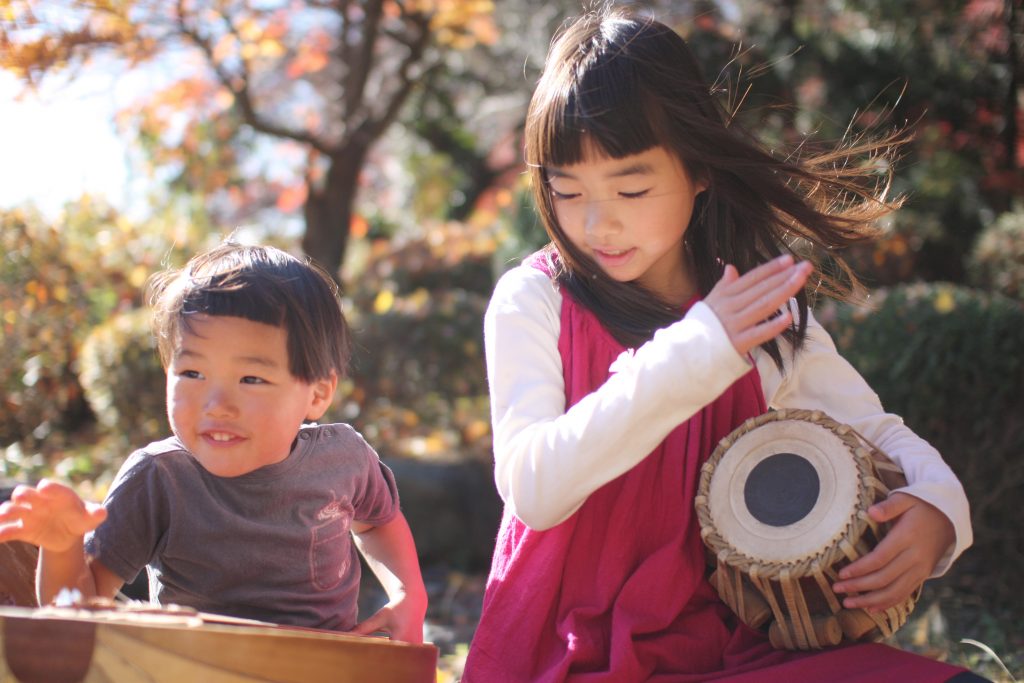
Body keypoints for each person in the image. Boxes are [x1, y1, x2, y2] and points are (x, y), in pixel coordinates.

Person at [462, 7, 979, 682]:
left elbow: (872, 430)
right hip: (568, 656)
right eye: (567, 189)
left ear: (700, 170)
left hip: (732, 653)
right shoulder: (535, 301)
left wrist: (938, 506)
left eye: (632, 186)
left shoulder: (755, 307)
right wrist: (697, 350)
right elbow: (533, 486)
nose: (597, 221)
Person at [0, 242, 427, 643]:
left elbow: (378, 521)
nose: (217, 404)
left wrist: (408, 594)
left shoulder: (342, 459)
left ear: (316, 394)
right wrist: (61, 550)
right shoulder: (159, 478)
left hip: (320, 666)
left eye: (251, 379)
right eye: (192, 374)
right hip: (196, 667)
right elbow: (77, 614)